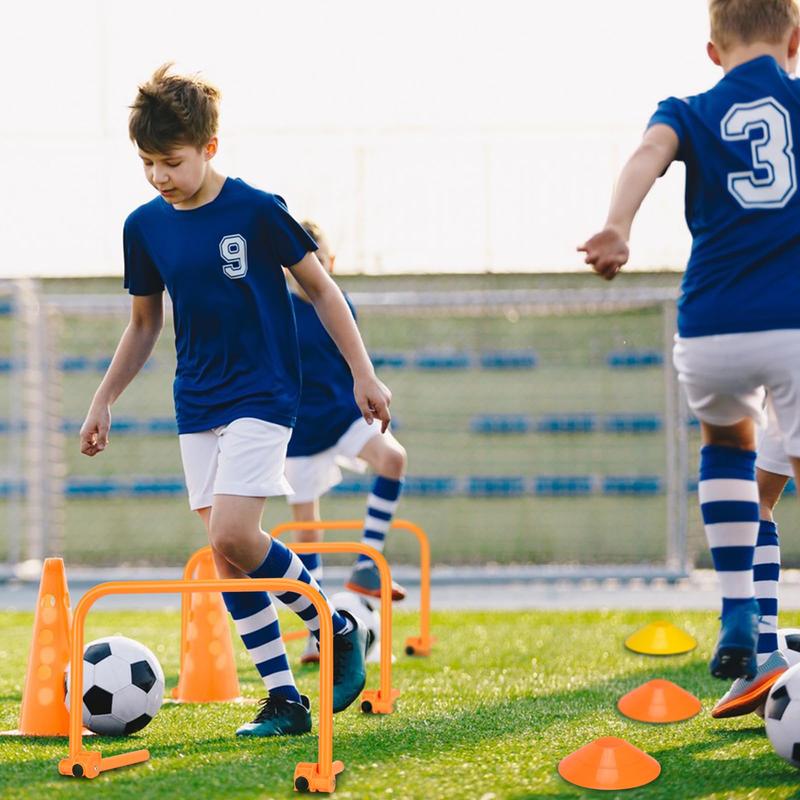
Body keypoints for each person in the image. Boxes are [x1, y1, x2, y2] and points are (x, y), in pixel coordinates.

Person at [79, 64, 392, 736]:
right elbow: (143, 323)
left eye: (172, 162)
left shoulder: (255, 208)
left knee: (232, 534)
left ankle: (332, 625)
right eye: (147, 164)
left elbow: (322, 290)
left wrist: (364, 374)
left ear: (209, 148)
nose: (159, 177)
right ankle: (285, 699)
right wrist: (104, 399)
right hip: (196, 401)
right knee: (227, 558)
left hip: (264, 392)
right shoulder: (144, 227)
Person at [579, 0, 800, 708]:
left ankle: (739, 607)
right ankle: (751, 620)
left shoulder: (687, 107)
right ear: (794, 39)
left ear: (713, 51)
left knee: (728, 447)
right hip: (793, 320)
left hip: (709, 326)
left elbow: (648, 154)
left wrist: (616, 227)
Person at [284, 221, 408, 665]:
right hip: (298, 429)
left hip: (342, 414)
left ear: (330, 263)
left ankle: (367, 565)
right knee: (307, 532)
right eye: (300, 264)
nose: (310, 270)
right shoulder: (279, 310)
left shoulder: (338, 303)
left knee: (392, 458)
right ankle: (318, 633)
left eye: (318, 260)